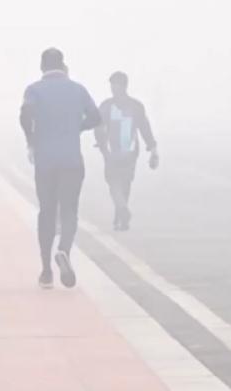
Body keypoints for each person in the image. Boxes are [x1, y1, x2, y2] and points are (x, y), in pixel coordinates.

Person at [20, 48, 100, 289]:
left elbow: (25, 115)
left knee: (46, 212)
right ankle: (63, 248)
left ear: (41, 67)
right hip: (71, 160)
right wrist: (77, 126)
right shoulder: (78, 89)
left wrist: (31, 139)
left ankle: (46, 271)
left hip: (45, 160)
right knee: (69, 210)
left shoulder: (34, 90)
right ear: (63, 65)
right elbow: (96, 117)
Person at [94, 72, 159, 231]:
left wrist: (102, 146)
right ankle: (121, 217)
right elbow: (144, 128)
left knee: (114, 183)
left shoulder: (107, 106)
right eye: (111, 85)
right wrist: (152, 147)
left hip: (115, 152)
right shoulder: (135, 106)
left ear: (123, 86)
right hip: (127, 151)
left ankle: (122, 209)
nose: (112, 88)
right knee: (124, 183)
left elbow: (98, 127)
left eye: (114, 85)